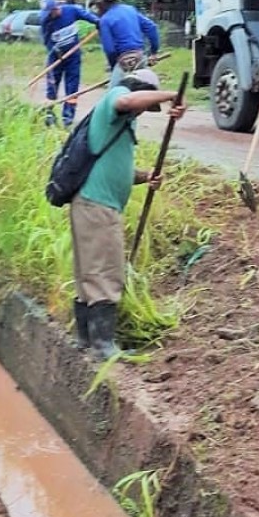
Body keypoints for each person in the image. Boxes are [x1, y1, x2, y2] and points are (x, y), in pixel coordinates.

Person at [70, 67, 185, 359]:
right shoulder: (118, 97)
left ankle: (85, 338)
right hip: (98, 206)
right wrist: (174, 94)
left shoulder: (120, 124)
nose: (145, 112)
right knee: (105, 272)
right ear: (139, 91)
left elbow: (114, 166)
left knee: (89, 271)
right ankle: (102, 346)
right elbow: (126, 101)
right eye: (147, 105)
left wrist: (145, 176)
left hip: (92, 204)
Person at [38, 0, 99, 127]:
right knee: (52, 87)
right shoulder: (46, 21)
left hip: (73, 57)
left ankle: (68, 118)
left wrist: (98, 22)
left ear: (56, 8)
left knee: (72, 87)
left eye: (50, 12)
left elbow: (88, 17)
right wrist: (55, 51)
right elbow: (46, 41)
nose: (48, 16)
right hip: (55, 57)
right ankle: (49, 114)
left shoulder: (71, 10)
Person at [88, 0, 160, 87]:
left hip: (123, 61)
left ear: (101, 4)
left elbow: (110, 50)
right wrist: (153, 52)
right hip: (140, 57)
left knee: (114, 96)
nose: (96, 9)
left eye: (96, 6)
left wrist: (114, 68)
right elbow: (151, 28)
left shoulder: (105, 20)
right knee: (146, 89)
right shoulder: (130, 10)